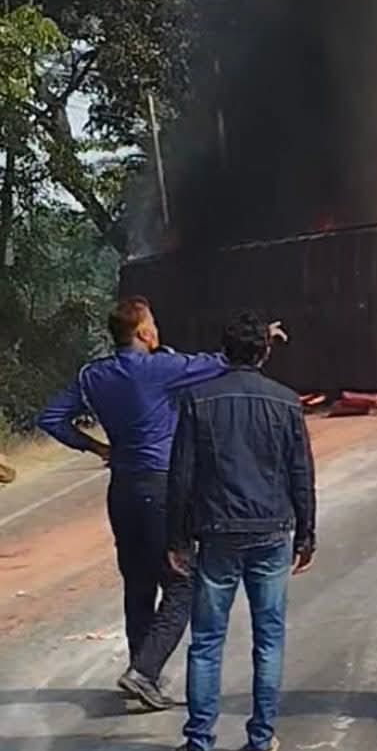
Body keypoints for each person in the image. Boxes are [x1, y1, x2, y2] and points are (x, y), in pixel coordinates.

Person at [36, 297, 231, 711]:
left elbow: (51, 417)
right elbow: (219, 363)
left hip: (122, 487)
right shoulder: (160, 367)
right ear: (143, 332)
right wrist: (263, 336)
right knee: (183, 582)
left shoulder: (94, 375)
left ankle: (144, 675)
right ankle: (144, 671)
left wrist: (95, 447)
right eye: (153, 324)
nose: (157, 330)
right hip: (162, 486)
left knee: (138, 584)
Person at [167, 312, 316, 751]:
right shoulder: (286, 402)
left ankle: (198, 742)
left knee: (207, 640)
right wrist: (306, 533)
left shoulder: (197, 399)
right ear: (264, 352)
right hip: (272, 531)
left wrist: (176, 539)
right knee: (268, 637)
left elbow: (182, 477)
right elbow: (300, 473)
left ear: (225, 351)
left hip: (216, 534)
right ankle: (261, 736)